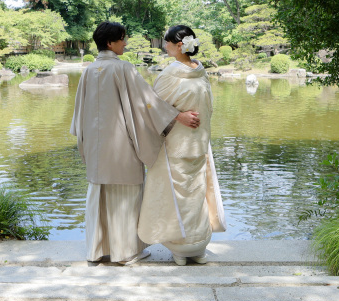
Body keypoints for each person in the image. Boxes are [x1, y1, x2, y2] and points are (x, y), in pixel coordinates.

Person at [70, 21, 201, 265]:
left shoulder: (89, 70)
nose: (126, 42)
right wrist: (177, 116)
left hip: (95, 147)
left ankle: (97, 251)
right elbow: (147, 102)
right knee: (125, 197)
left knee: (99, 196)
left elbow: (78, 115)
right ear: (110, 43)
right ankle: (125, 253)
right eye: (122, 38)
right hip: (121, 145)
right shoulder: (123, 69)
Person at [138, 25, 226, 265]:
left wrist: (177, 116)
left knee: (180, 196)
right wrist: (183, 116)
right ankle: (197, 249)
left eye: (166, 42)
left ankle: (182, 250)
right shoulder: (201, 72)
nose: (163, 46)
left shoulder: (170, 74)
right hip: (198, 142)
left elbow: (151, 106)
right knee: (195, 194)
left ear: (179, 46)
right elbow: (208, 108)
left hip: (177, 144)